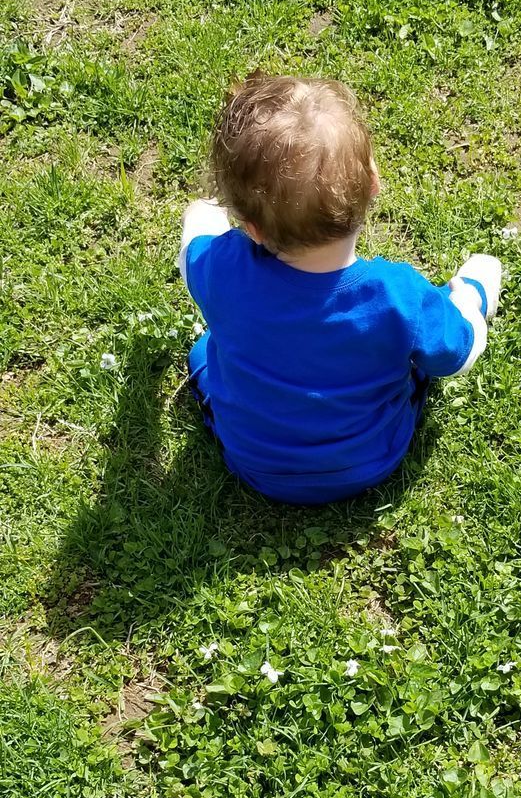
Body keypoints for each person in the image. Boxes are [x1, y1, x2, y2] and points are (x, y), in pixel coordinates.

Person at [179, 74, 501, 505]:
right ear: (373, 183)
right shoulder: (396, 295)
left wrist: (204, 209)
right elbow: (458, 356)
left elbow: (192, 245)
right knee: (430, 333)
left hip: (257, 465)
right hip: (370, 459)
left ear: (251, 229)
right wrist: (472, 290)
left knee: (204, 351)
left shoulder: (224, 269)